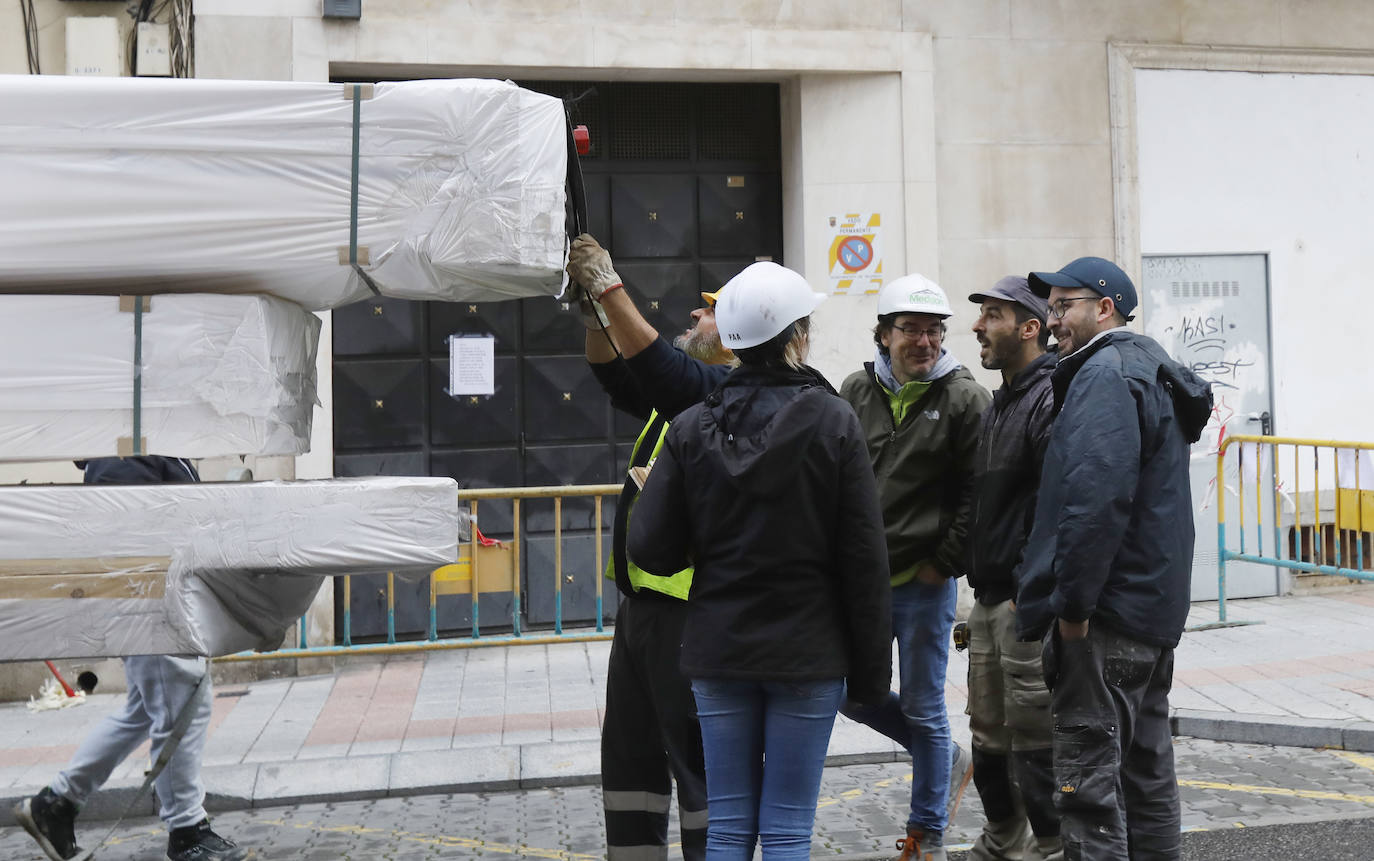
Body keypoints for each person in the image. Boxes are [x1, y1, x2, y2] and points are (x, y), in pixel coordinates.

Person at [627, 261, 893, 860]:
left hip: (721, 647)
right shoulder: (834, 420)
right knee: (788, 827)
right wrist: (873, 675)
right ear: (798, 335)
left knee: (726, 827)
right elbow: (864, 560)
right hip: (809, 650)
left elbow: (649, 548)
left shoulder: (691, 427)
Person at [1016, 257, 1212, 861]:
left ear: (1105, 308)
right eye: (1050, 309)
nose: (1052, 323)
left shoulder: (1105, 373)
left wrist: (1072, 613)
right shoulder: (1146, 367)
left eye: (1064, 306)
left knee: (1089, 787)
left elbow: (1095, 501)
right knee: (1145, 776)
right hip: (1148, 611)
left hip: (1106, 615)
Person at [567, 233, 731, 861]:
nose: (694, 312)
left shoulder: (723, 396)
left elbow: (662, 367)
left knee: (695, 768)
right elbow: (618, 375)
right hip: (642, 614)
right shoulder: (678, 401)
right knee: (630, 758)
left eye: (710, 307)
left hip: (692, 619)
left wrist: (609, 285)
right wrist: (596, 317)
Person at [13, 456, 249, 861]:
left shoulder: (146, 441)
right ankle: (187, 830)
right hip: (150, 600)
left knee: (142, 711)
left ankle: (56, 804)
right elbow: (127, 528)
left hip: (153, 596)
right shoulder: (129, 444)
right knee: (181, 705)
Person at [839, 273, 990, 861]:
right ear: (883, 334)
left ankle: (926, 837)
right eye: (910, 330)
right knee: (851, 694)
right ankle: (946, 757)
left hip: (924, 585)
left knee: (926, 707)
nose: (923, 342)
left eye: (933, 331)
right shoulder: (854, 390)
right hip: (862, 583)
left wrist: (943, 564)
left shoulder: (965, 399)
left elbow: (977, 494)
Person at [963, 277, 1062, 861]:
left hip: (1023, 605)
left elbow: (1058, 503)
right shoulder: (1002, 400)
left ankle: (1051, 848)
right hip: (989, 599)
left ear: (1031, 328)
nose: (978, 325)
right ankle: (1003, 842)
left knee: (1036, 738)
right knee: (989, 736)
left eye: (993, 316)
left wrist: (1032, 591)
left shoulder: (1049, 396)